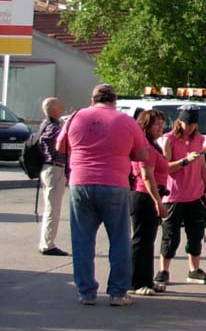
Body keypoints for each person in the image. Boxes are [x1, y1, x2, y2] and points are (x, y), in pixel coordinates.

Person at [57, 82, 149, 307]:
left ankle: (86, 292)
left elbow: (60, 146)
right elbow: (143, 154)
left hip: (81, 183)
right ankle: (118, 293)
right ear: (114, 100)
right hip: (114, 184)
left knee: (82, 241)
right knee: (119, 240)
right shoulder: (126, 121)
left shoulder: (76, 117)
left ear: (92, 99)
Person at [157, 107, 206, 286]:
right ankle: (164, 270)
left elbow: (203, 164)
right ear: (179, 122)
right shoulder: (169, 140)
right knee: (171, 236)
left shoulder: (199, 139)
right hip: (174, 195)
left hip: (194, 194)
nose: (190, 127)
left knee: (196, 234)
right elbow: (165, 167)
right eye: (187, 124)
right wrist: (184, 161)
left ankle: (194, 269)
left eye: (193, 124)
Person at [130, 110, 168, 295]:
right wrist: (157, 202)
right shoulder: (144, 145)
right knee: (141, 240)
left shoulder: (154, 145)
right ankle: (136, 283)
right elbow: (146, 175)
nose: (160, 127)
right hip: (144, 196)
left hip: (152, 195)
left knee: (148, 241)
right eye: (156, 124)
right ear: (145, 126)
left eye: (162, 123)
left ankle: (147, 280)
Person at [37, 96, 68, 257]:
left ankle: (46, 241)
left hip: (49, 169)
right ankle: (47, 244)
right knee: (52, 208)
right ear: (54, 109)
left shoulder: (45, 125)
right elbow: (64, 144)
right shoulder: (54, 129)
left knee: (51, 207)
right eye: (60, 105)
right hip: (55, 169)